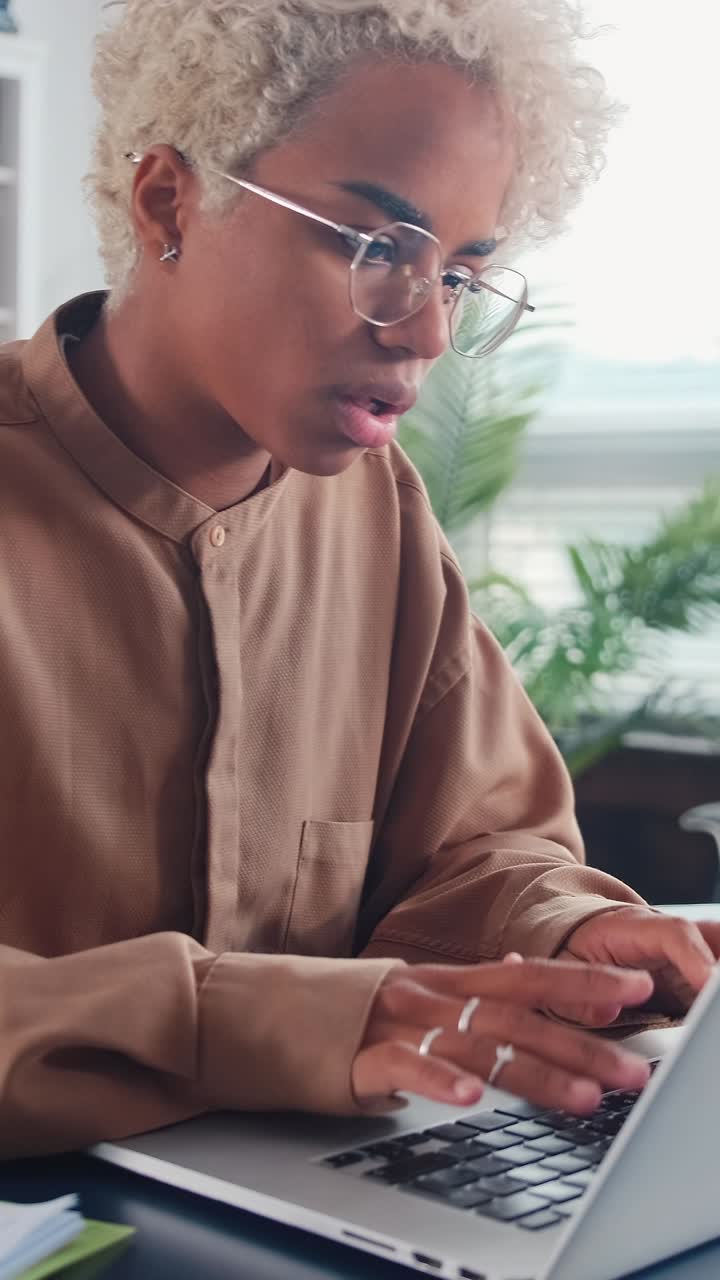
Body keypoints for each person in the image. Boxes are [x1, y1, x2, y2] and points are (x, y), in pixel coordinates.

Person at [1, 0, 718, 1162]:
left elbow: (472, 850)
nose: (426, 334)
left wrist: (563, 930)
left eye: (463, 275)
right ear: (170, 201)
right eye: (377, 247)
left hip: (317, 1204)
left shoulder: (381, 515)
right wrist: (262, 1021)